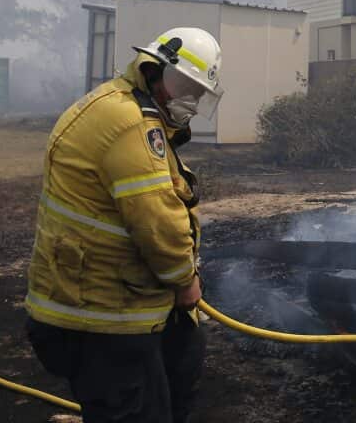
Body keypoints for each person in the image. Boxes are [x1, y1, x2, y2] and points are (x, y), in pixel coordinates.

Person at [24, 27, 223, 423]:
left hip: (100, 301)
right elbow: (157, 222)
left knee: (181, 363)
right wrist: (185, 281)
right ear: (154, 70)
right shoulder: (131, 124)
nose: (190, 101)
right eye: (185, 86)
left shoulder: (122, 106)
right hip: (102, 316)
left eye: (198, 93)